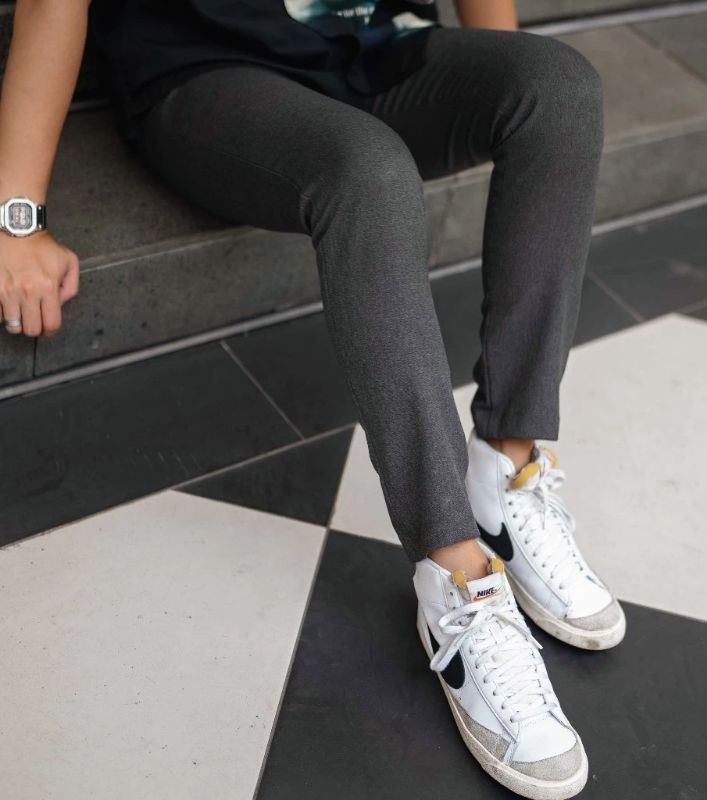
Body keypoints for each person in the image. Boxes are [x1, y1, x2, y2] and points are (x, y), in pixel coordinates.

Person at [0, 1, 625, 797]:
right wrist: (16, 218)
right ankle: (457, 575)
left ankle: (508, 468)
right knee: (368, 170)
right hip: (210, 71)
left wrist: (493, 77)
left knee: (556, 87)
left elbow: (514, 84)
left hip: (367, 45)